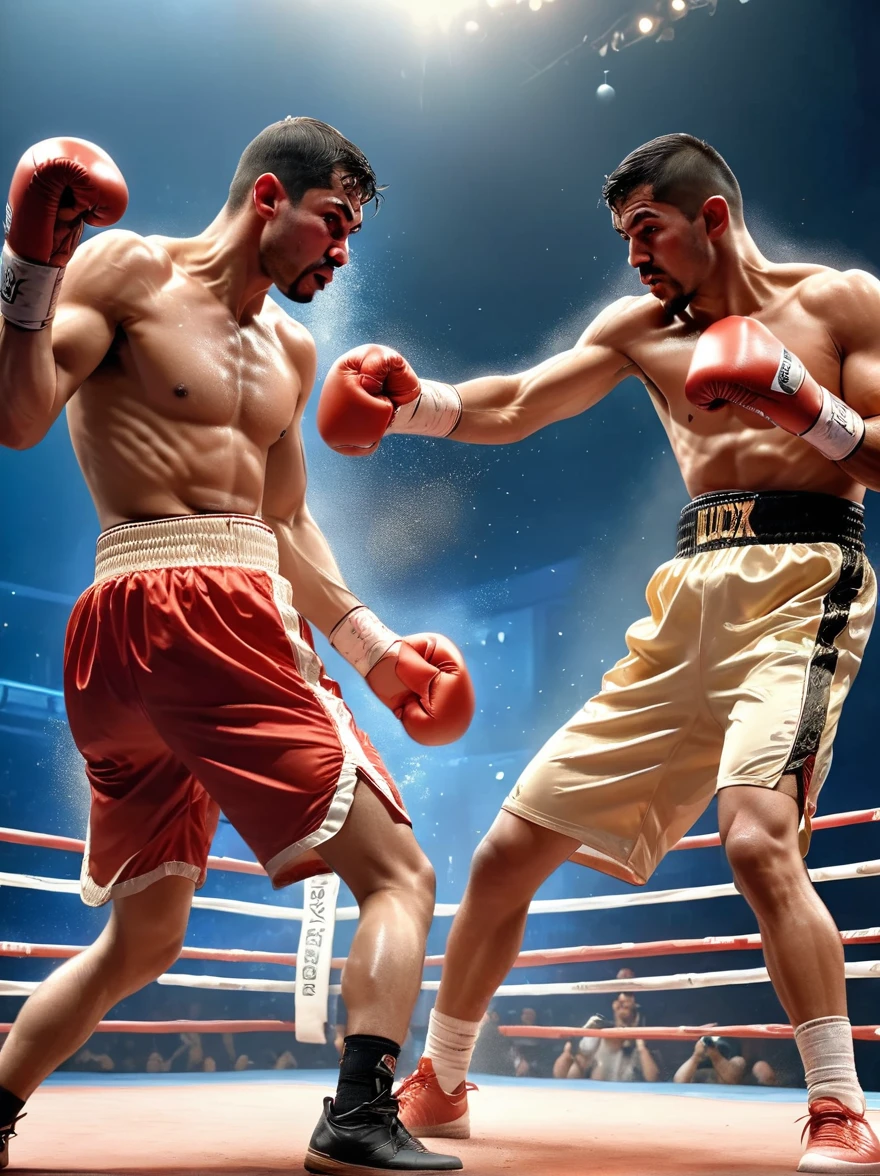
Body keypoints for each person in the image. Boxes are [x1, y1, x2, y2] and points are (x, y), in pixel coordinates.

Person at [317, 133, 880, 1173]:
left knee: (758, 842)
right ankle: (441, 1076)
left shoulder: (841, 303)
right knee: (503, 853)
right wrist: (413, 404)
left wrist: (803, 401)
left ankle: (840, 1106)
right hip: (686, 598)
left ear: (712, 218)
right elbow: (519, 402)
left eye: (648, 231)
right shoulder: (637, 330)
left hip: (803, 577)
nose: (636, 257)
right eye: (625, 237)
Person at [0, 118, 477, 1175]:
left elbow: (288, 523)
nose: (341, 251)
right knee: (400, 875)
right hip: (194, 611)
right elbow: (20, 411)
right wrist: (29, 266)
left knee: (146, 940)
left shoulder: (292, 351)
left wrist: (375, 650)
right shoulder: (126, 269)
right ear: (270, 197)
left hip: (128, 640)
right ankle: (358, 1117)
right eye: (334, 222)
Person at [553, 993, 661, 1084]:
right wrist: (570, 1052)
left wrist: (641, 1047)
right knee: (578, 1059)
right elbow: (562, 1074)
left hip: (630, 1095)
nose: (623, 1004)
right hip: (597, 1094)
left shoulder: (641, 1040)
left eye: (626, 1004)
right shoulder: (598, 1033)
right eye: (619, 1003)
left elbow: (653, 1079)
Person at [674, 1036, 745, 1086]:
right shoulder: (696, 1061)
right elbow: (679, 1082)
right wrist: (696, 1057)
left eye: (719, 1048)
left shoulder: (737, 1060)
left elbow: (732, 1081)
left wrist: (715, 1055)